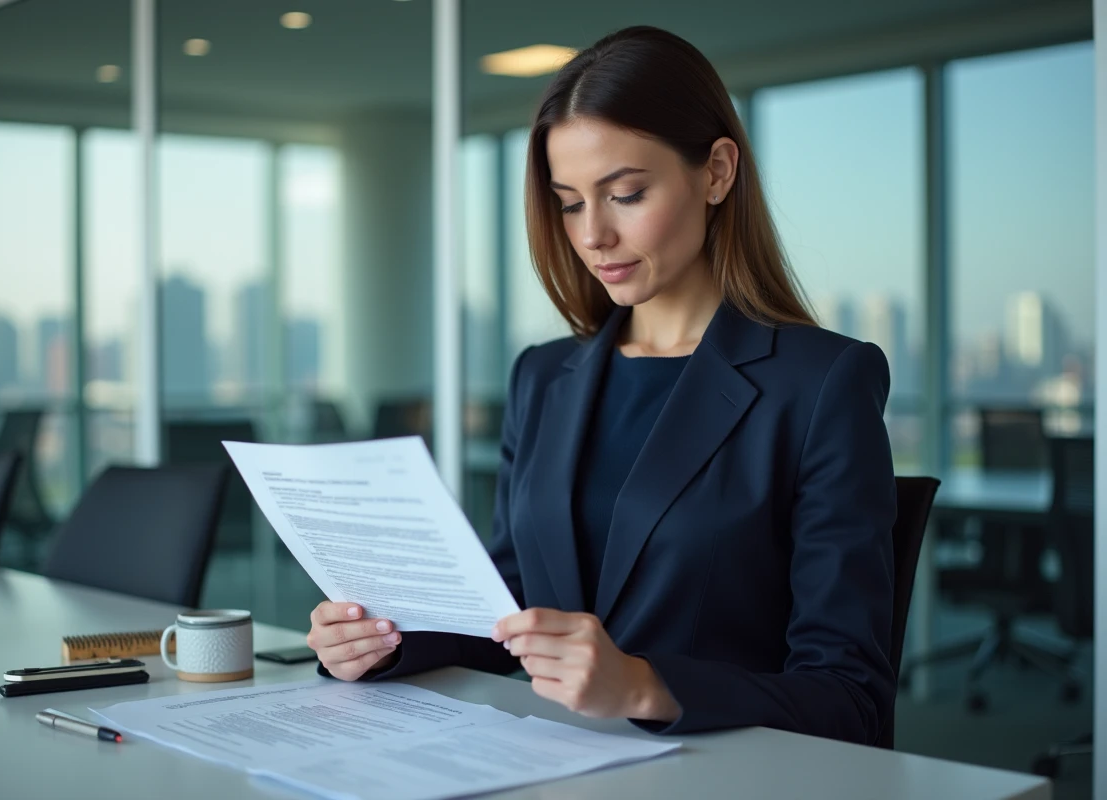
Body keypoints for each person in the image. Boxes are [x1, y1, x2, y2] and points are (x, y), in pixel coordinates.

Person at [306, 25, 897, 745]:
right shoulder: (545, 375)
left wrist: (644, 685)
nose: (593, 236)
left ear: (715, 172)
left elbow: (850, 697)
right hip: (547, 762)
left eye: (624, 194)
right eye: (571, 201)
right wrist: (382, 644)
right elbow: (506, 614)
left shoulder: (822, 382)